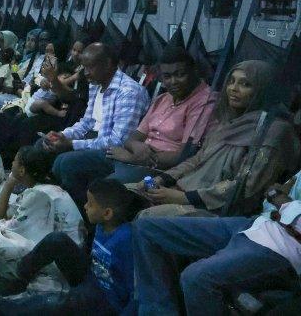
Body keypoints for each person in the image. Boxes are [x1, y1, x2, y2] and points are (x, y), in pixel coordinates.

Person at [130, 60, 299, 218]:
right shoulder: (227, 121)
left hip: (216, 209)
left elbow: (246, 187)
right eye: (231, 81)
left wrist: (185, 197)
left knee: (145, 215)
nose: (233, 88)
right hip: (184, 189)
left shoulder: (272, 131)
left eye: (245, 84)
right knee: (123, 193)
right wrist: (163, 179)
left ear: (263, 90)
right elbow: (198, 159)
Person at [0, 178, 141, 315]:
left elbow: (136, 295)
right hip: (91, 279)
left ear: (107, 213)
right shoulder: (102, 226)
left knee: (55, 303)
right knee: (56, 240)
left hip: (107, 302)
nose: (85, 206)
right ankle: (18, 280)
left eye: (90, 204)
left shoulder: (127, 241)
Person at [132, 169, 301, 316]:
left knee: (195, 277)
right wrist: (281, 204)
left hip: (280, 247)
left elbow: (277, 197)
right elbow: (271, 203)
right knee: (146, 229)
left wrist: (280, 200)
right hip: (257, 224)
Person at [45, 43, 151, 206]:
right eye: (83, 67)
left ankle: (80, 215)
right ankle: (51, 204)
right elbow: (87, 123)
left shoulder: (128, 92)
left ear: (107, 64)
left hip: (115, 153)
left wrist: (72, 144)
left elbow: (118, 141)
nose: (85, 73)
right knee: (45, 144)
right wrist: (63, 135)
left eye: (90, 67)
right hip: (95, 140)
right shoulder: (96, 84)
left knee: (66, 162)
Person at [0, 146, 84, 294]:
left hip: (60, 264)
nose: (12, 163)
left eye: (14, 161)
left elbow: (8, 225)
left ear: (22, 170)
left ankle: (16, 281)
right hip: (62, 253)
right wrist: (8, 184)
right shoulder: (41, 189)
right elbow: (0, 214)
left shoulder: (40, 194)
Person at [104, 46, 216, 181]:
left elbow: (185, 155)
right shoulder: (163, 98)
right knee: (75, 163)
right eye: (167, 77)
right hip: (134, 158)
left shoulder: (205, 102)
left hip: (160, 169)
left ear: (194, 71)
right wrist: (136, 148)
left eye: (180, 74)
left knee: (105, 187)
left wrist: (133, 158)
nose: (173, 81)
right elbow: (132, 138)